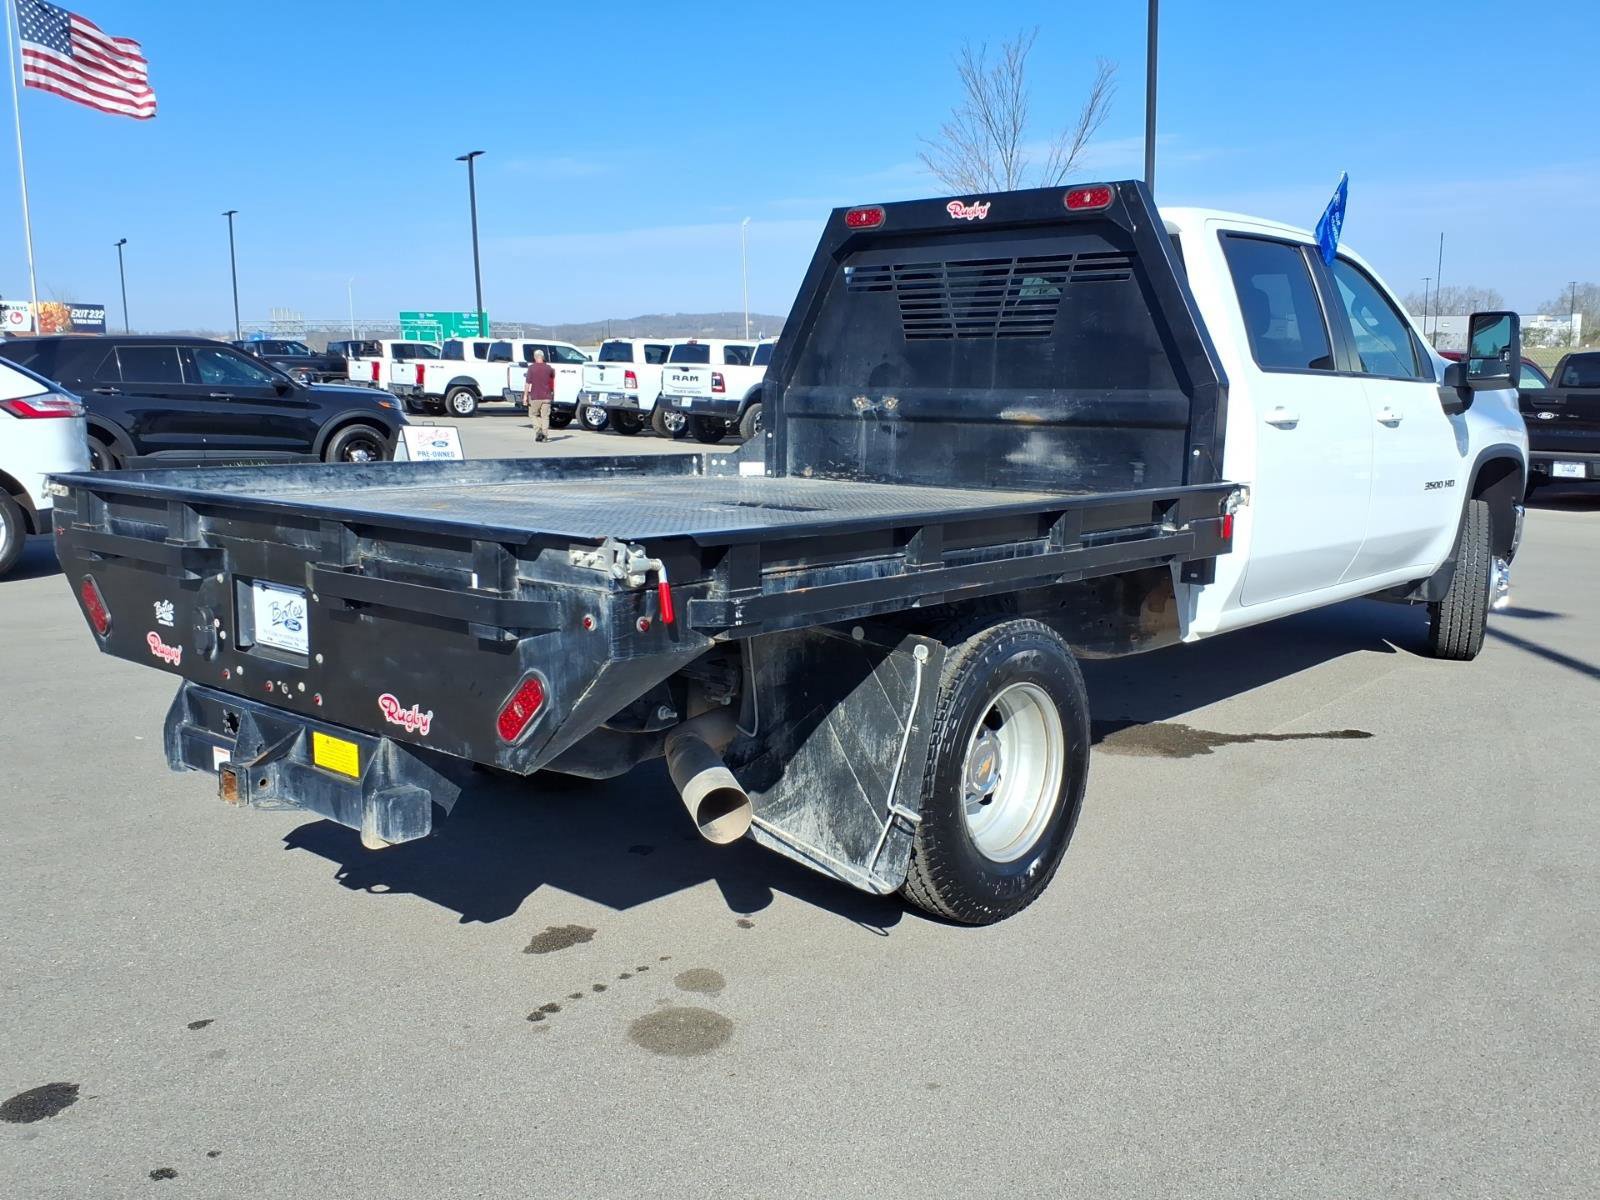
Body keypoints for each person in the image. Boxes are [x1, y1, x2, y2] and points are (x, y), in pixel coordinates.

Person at [523, 349, 556, 442]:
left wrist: (525, 396)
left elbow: (527, 383)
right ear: (543, 357)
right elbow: (552, 378)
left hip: (535, 396)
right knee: (545, 417)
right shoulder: (549, 368)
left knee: (533, 414)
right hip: (547, 396)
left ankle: (538, 431)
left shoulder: (531, 368)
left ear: (535, 357)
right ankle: (545, 435)